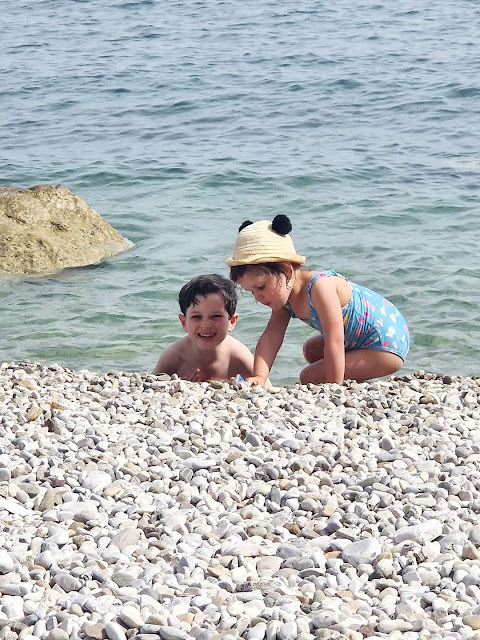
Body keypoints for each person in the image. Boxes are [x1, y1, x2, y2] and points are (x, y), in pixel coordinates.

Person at [224, 215, 410, 386]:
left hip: (385, 343)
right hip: (356, 340)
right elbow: (271, 338)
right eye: (251, 292)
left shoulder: (320, 287)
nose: (258, 297)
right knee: (311, 351)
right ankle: (353, 379)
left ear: (287, 272)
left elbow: (335, 340)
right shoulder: (284, 298)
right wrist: (259, 377)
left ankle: (343, 381)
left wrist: (332, 388)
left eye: (261, 287)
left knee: (309, 377)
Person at [153, 274, 254, 382]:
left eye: (215, 316)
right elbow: (151, 386)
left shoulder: (237, 356)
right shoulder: (174, 357)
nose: (206, 325)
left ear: (231, 321)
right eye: (196, 317)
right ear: (184, 322)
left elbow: (267, 389)